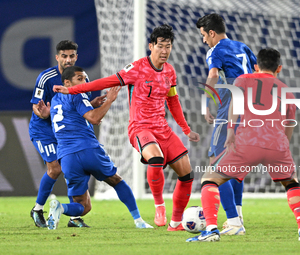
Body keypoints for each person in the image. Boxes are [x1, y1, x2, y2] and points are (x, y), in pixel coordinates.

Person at [53, 24, 200, 231]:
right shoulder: (137, 68)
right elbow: (107, 81)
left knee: (187, 175)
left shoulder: (170, 72)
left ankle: (175, 224)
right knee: (155, 159)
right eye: (161, 46)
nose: (165, 51)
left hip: (163, 128)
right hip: (140, 127)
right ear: (151, 46)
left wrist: (185, 129)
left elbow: (173, 102)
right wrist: (73, 90)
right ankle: (159, 206)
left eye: (168, 46)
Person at [186, 48, 300, 242]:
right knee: (292, 182)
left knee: (209, 179)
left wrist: (231, 131)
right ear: (279, 68)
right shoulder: (287, 91)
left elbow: (235, 105)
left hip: (246, 143)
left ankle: (211, 230)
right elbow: (289, 125)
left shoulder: (243, 80)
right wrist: (283, 147)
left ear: (256, 66)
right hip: (276, 145)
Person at [44, 66, 153, 230]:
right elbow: (94, 118)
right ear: (67, 82)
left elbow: (72, 115)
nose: (84, 82)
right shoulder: (77, 94)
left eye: (85, 78)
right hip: (88, 149)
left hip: (66, 157)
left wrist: (91, 104)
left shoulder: (55, 100)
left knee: (83, 206)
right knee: (116, 181)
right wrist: (109, 100)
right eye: (79, 79)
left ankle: (61, 207)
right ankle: (139, 221)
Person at [29, 40, 105, 228]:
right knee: (55, 168)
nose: (68, 59)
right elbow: (35, 105)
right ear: (57, 57)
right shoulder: (46, 77)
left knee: (76, 169)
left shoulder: (82, 77)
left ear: (76, 57)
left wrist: (92, 104)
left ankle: (74, 217)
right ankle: (38, 209)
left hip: (67, 132)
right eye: (64, 56)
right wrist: (44, 113)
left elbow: (81, 105)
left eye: (71, 56)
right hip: (44, 130)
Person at [196, 13, 257, 235]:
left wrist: (205, 103)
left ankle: (233, 221)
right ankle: (238, 215)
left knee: (216, 164)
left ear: (212, 33)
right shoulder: (244, 47)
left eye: (204, 35)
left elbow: (212, 75)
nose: (204, 40)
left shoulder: (215, 50)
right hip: (252, 109)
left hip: (230, 108)